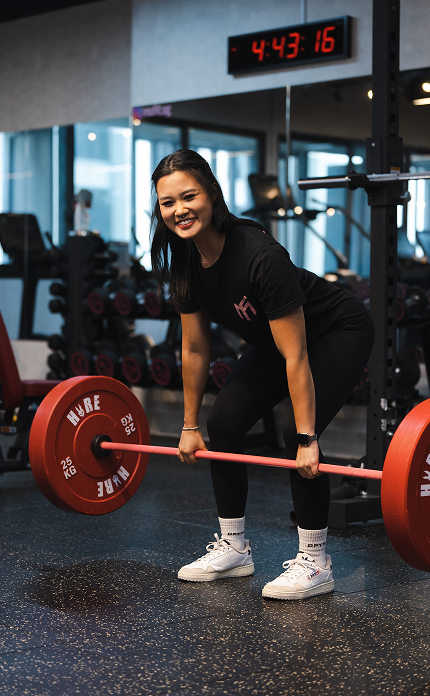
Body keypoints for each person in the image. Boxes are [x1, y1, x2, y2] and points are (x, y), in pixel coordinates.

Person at [150, 149, 374, 600]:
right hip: (278, 343)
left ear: (212, 193)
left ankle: (316, 561)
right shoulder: (186, 259)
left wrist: (309, 441)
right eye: (167, 202)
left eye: (188, 196)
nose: (179, 210)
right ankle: (234, 546)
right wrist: (189, 426)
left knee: (297, 430)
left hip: (337, 330)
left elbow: (296, 357)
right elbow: (194, 347)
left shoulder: (259, 255)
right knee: (223, 424)